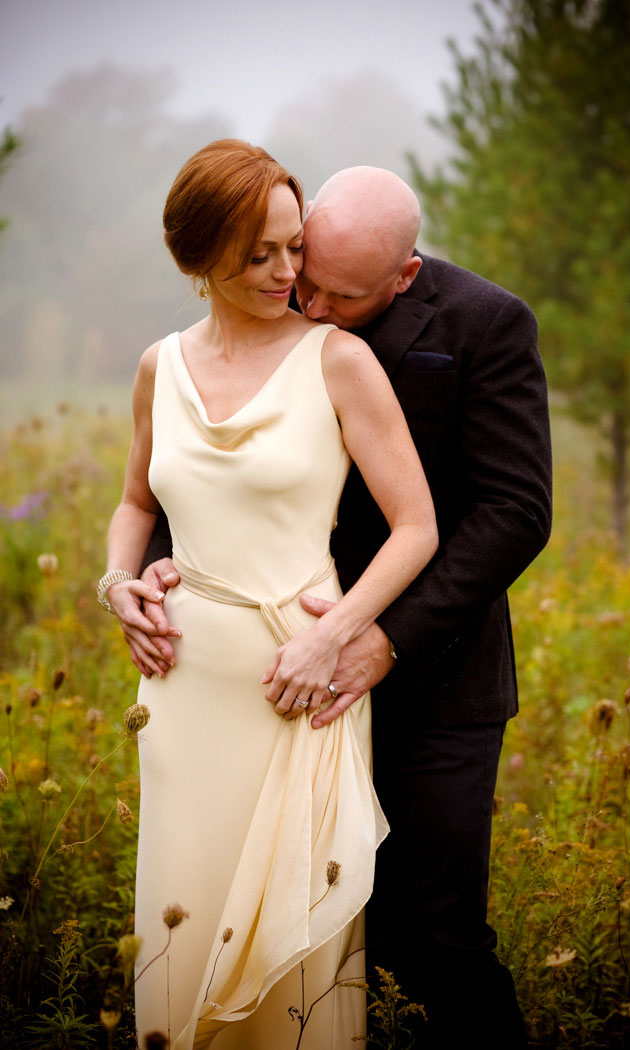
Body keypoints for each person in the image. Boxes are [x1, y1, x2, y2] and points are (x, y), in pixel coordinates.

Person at [124, 166, 552, 1047]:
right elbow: (192, 489)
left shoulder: (484, 324)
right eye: (297, 269)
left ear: (404, 276)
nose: (304, 299)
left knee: (431, 936)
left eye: (335, 292)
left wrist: (381, 639)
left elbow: (514, 513)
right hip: (269, 683)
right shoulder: (256, 316)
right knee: (305, 928)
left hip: (432, 679)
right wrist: (160, 571)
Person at [100, 142, 438, 1050]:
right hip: (181, 690)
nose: (289, 272)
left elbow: (417, 527)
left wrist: (339, 636)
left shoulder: (337, 361)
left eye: (294, 247)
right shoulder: (156, 368)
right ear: (197, 256)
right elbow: (136, 502)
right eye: (260, 255)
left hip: (300, 686)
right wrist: (119, 585)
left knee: (294, 945)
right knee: (183, 914)